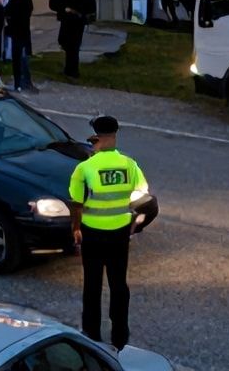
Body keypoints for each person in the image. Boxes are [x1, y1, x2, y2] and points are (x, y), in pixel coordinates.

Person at [69, 115, 146, 352]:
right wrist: (131, 218)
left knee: (92, 284)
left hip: (92, 234)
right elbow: (142, 192)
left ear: (96, 138)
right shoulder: (129, 164)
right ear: (115, 135)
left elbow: (76, 202)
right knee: (118, 284)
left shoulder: (85, 168)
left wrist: (76, 229)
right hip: (119, 234)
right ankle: (120, 336)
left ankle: (91, 334)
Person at [49, 0, 97, 79]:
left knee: (74, 46)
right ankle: (69, 69)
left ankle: (73, 71)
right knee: (65, 43)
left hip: (78, 21)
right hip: (66, 20)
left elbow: (91, 5)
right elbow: (53, 3)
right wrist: (64, 8)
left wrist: (81, 12)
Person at [4, 0, 35, 92]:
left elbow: (8, 11)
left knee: (18, 58)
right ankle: (24, 81)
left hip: (17, 30)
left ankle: (19, 83)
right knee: (22, 57)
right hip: (22, 30)